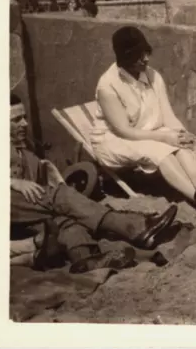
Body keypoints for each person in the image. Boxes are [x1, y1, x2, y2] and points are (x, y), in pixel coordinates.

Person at [10, 93, 179, 273]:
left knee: (66, 223)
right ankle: (133, 226)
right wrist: (11, 182)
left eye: (25, 118)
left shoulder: (25, 149)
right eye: (16, 119)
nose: (25, 124)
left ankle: (87, 260)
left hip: (29, 216)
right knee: (62, 196)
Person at [91, 26, 196, 210]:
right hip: (114, 141)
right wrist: (164, 137)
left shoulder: (153, 75)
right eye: (138, 55)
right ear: (124, 57)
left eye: (146, 52)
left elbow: (168, 116)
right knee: (160, 151)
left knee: (180, 144)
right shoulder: (108, 85)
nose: (146, 59)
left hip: (145, 133)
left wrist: (181, 133)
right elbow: (123, 130)